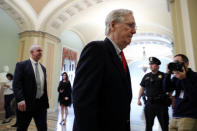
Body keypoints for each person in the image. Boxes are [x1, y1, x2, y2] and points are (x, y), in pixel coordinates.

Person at [72, 9, 136, 131]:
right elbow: (82, 101)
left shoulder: (120, 57)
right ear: (113, 25)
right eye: (130, 25)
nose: (134, 31)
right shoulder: (96, 50)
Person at [13, 44, 49, 131]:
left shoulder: (43, 68)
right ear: (31, 52)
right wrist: (20, 99)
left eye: (41, 51)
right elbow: (17, 84)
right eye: (38, 50)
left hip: (40, 105)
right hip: (25, 104)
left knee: (43, 128)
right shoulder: (21, 65)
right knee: (22, 128)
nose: (41, 53)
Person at [163, 54, 197, 131]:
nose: (176, 65)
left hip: (189, 117)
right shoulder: (176, 78)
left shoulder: (194, 76)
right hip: (175, 115)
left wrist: (184, 79)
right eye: (174, 62)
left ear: (186, 64)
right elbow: (166, 89)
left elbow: (193, 96)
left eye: (177, 62)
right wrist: (167, 74)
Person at [138, 57, 170, 131]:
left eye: (153, 64)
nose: (151, 66)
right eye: (150, 64)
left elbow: (169, 88)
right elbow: (142, 87)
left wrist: (170, 97)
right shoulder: (146, 76)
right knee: (148, 126)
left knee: (164, 126)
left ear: (157, 66)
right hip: (149, 104)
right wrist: (139, 98)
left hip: (161, 104)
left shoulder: (163, 75)